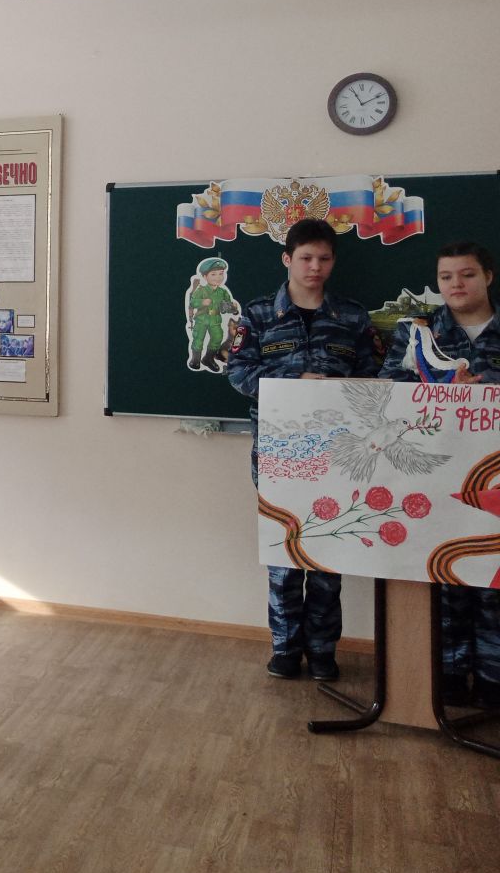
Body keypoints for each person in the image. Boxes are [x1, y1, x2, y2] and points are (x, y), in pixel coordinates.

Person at [227, 218, 378, 681]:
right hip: (279, 455)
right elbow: (238, 373)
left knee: (329, 556)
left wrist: (340, 390)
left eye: (324, 258)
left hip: (340, 456)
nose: (315, 267)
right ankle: (285, 649)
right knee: (284, 557)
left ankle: (323, 650)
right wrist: (295, 382)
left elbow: (375, 379)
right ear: (287, 259)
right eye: (306, 258)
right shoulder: (257, 315)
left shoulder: (352, 316)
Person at [378, 240, 500, 708]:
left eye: (467, 274)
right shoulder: (418, 333)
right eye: (446, 277)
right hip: (437, 476)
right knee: (446, 576)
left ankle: (492, 680)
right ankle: (447, 675)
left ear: (487, 276)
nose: (456, 284)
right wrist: (445, 387)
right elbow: (389, 388)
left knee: (492, 579)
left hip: (494, 480)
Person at [185, 256, 240, 373]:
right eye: (213, 274)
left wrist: (233, 309)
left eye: (221, 274)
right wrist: (202, 302)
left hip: (215, 319)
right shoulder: (201, 290)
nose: (218, 277)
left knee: (217, 337)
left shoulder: (223, 292)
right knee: (198, 339)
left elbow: (227, 306)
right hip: (202, 319)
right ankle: (195, 360)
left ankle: (208, 359)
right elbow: (192, 303)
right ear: (205, 276)